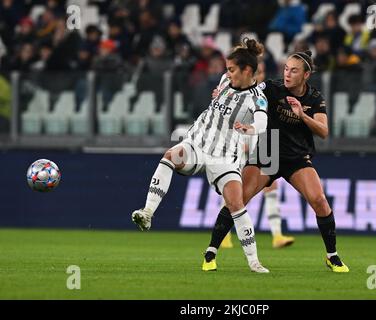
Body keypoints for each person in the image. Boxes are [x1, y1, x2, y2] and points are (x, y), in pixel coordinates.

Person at [131, 38, 270, 273]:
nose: (227, 73)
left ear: (247, 70)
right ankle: (147, 213)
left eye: (232, 69)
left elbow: (262, 121)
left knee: (236, 204)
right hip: (198, 143)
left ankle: (254, 262)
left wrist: (251, 129)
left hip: (225, 157)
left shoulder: (257, 98)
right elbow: (220, 101)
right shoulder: (226, 80)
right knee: (169, 156)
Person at [203, 50, 349, 273]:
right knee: (238, 200)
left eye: (294, 70)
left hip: (296, 158)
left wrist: (302, 115)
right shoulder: (271, 88)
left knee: (320, 201)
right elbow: (245, 92)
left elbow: (324, 131)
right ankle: (211, 252)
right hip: (267, 154)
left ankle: (332, 256)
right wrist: (224, 93)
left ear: (306, 75)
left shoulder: (314, 98)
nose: (288, 74)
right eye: (286, 69)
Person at [220, 59, 295, 250]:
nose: (259, 76)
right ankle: (225, 236)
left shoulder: (268, 93)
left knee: (271, 187)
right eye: (257, 72)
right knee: (232, 191)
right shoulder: (241, 93)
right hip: (240, 145)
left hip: (262, 145)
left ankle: (277, 235)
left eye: (262, 72)